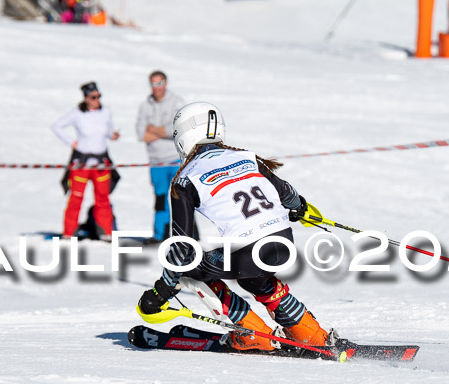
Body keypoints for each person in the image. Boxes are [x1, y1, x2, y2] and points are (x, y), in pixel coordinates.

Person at [137, 102, 331, 351]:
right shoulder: (248, 157)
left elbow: (181, 250)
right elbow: (288, 194)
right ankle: (312, 336)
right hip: (283, 243)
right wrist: (301, 209)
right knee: (255, 280)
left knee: (190, 270)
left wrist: (161, 292)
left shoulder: (184, 179)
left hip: (246, 251)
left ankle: (255, 335)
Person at [52, 82, 120, 240]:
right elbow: (56, 126)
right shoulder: (77, 113)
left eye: (98, 96)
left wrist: (113, 135)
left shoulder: (106, 112)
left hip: (101, 163)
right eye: (93, 97)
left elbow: (109, 131)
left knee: (103, 199)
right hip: (81, 164)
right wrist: (71, 142)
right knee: (76, 198)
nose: (97, 100)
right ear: (86, 98)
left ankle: (106, 233)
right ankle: (69, 233)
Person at [135, 70, 186, 242]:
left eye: (159, 83)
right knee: (159, 198)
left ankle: (186, 235)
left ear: (165, 83)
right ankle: (159, 235)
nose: (156, 88)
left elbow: (178, 129)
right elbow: (141, 133)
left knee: (181, 200)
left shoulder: (177, 102)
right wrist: (162, 131)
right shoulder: (145, 105)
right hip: (156, 162)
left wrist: (154, 129)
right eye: (153, 84)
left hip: (175, 160)